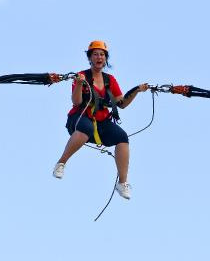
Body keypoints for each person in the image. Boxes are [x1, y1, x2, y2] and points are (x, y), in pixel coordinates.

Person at [53, 40, 149, 199]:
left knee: (122, 137)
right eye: (96, 54)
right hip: (80, 117)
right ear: (90, 58)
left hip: (102, 121)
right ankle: (61, 163)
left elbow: (121, 103)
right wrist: (78, 84)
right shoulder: (82, 76)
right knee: (86, 129)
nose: (99, 57)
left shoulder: (109, 80)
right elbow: (76, 102)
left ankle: (123, 182)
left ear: (106, 59)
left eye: (102, 55)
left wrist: (137, 90)